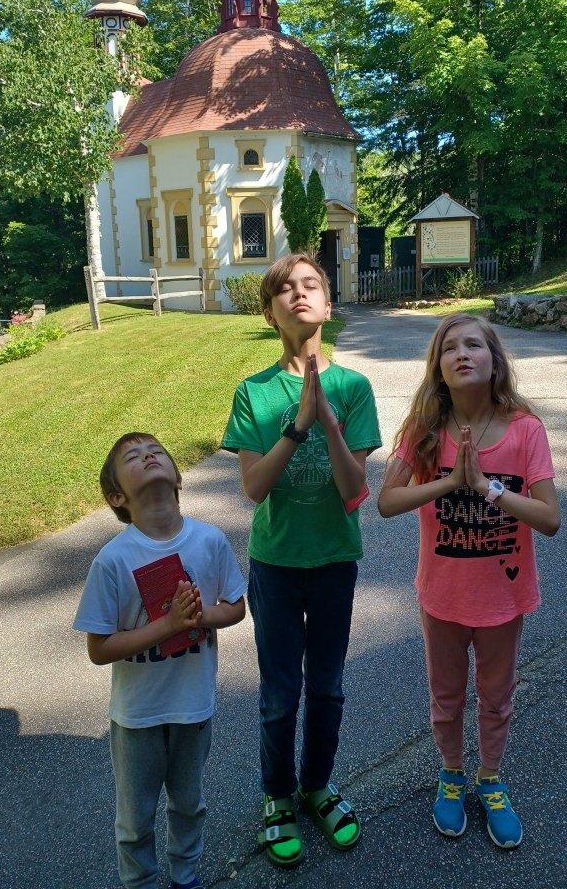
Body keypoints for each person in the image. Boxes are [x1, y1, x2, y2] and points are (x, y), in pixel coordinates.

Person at [222, 253, 382, 868]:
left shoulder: (353, 387)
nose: (298, 294)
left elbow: (353, 491)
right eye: (284, 289)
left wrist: (329, 424)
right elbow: (254, 488)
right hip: (277, 564)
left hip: (335, 560)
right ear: (270, 312)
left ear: (328, 304)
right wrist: (297, 426)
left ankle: (317, 784)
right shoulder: (254, 392)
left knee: (328, 688)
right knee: (280, 693)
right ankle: (278, 795)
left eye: (310, 284)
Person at [378, 314, 560, 850]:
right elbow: (387, 502)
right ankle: (452, 773)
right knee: (447, 697)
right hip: (443, 598)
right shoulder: (423, 430)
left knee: (497, 697)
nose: (462, 353)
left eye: (474, 345)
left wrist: (487, 488)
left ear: (494, 361)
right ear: (438, 367)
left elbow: (550, 519)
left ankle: (491, 779)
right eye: (449, 347)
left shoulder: (525, 429)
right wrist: (451, 482)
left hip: (503, 597)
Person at [73, 433, 247, 889]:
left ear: (178, 478)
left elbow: (235, 607)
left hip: (193, 706)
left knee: (189, 804)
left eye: (155, 451)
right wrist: (168, 625)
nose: (148, 456)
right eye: (133, 456)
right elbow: (99, 649)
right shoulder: (113, 561)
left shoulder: (209, 541)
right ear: (117, 497)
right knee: (135, 820)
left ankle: (185, 877)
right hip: (137, 716)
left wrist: (197, 616)